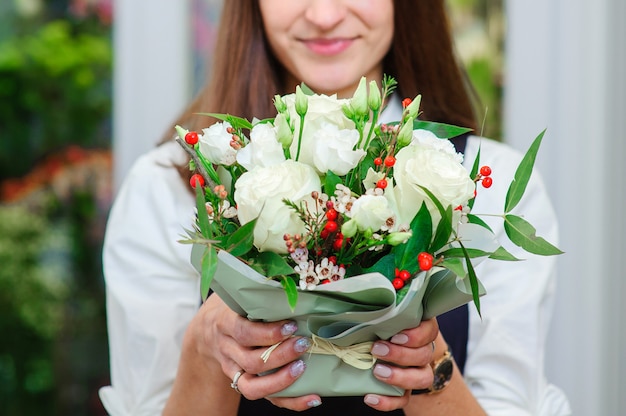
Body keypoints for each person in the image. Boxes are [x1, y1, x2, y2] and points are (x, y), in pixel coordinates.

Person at [99, 1, 571, 415]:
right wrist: (204, 353)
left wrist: (431, 375)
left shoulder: (484, 186)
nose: (324, 15)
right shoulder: (169, 186)